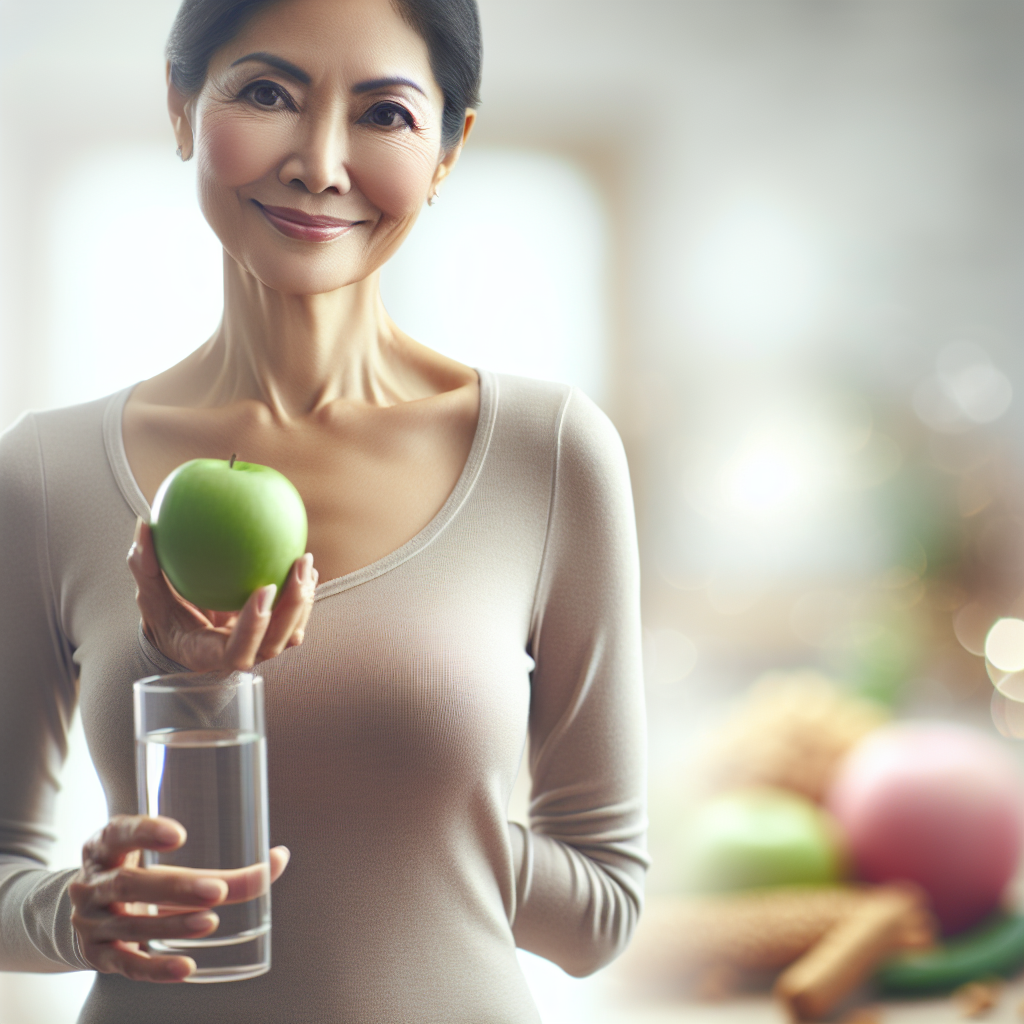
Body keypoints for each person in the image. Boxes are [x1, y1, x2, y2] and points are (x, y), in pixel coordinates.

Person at [0, 0, 648, 1019]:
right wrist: (75, 912)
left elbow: (602, 909)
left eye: (385, 114)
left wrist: (419, 820)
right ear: (180, 107)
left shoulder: (548, 451)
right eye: (266, 94)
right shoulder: (46, 470)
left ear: (447, 148)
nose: (319, 161)